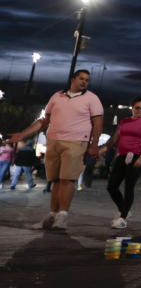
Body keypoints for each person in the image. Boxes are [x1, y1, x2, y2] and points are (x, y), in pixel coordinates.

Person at [6, 69, 103, 230]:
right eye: (81, 78)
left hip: (76, 142)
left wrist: (94, 145)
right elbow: (44, 120)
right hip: (53, 141)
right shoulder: (57, 96)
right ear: (73, 79)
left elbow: (98, 123)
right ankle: (52, 215)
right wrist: (22, 134)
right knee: (56, 180)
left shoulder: (92, 99)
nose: (84, 82)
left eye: (87, 80)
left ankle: (62, 215)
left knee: (68, 179)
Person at [100, 97, 141, 229]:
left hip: (136, 156)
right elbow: (114, 140)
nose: (140, 110)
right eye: (137, 108)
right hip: (121, 156)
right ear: (132, 108)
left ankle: (123, 218)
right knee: (111, 186)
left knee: (129, 187)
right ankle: (124, 209)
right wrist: (102, 149)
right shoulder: (124, 122)